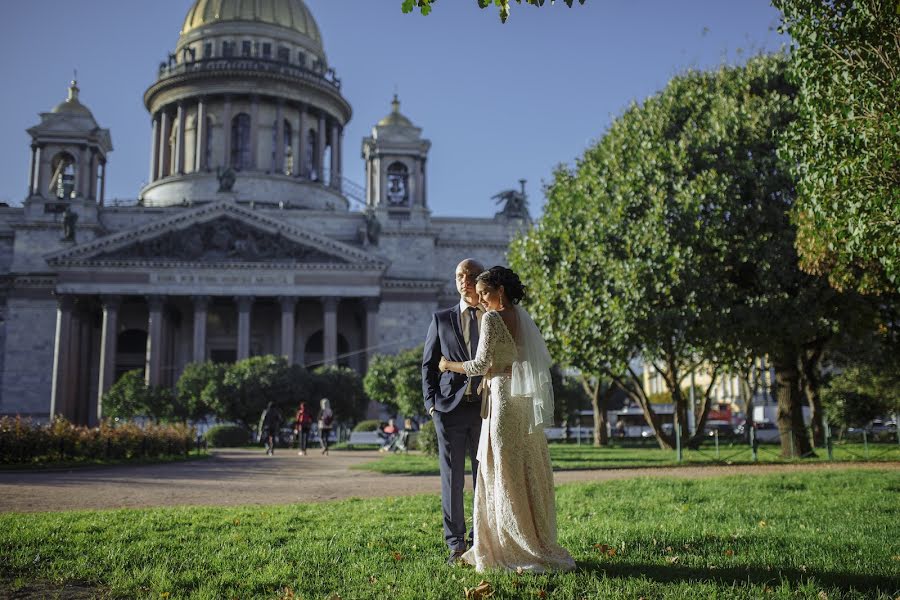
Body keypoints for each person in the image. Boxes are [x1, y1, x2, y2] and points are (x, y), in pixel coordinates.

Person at [438, 266, 575, 573]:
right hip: (521, 400)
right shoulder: (522, 318)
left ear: (499, 291)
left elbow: (480, 363)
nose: (481, 299)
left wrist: (448, 364)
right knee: (523, 466)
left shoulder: (493, 318)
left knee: (500, 469)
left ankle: (508, 545)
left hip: (501, 400)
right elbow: (521, 359)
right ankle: (534, 537)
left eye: (485, 292)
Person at [422, 258, 485, 566]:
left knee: (484, 478)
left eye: (471, 275)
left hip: (487, 411)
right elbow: (428, 365)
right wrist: (431, 404)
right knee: (452, 479)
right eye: (460, 275)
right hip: (449, 410)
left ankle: (479, 539)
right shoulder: (441, 319)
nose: (465, 280)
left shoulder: (494, 317)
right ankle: (455, 545)